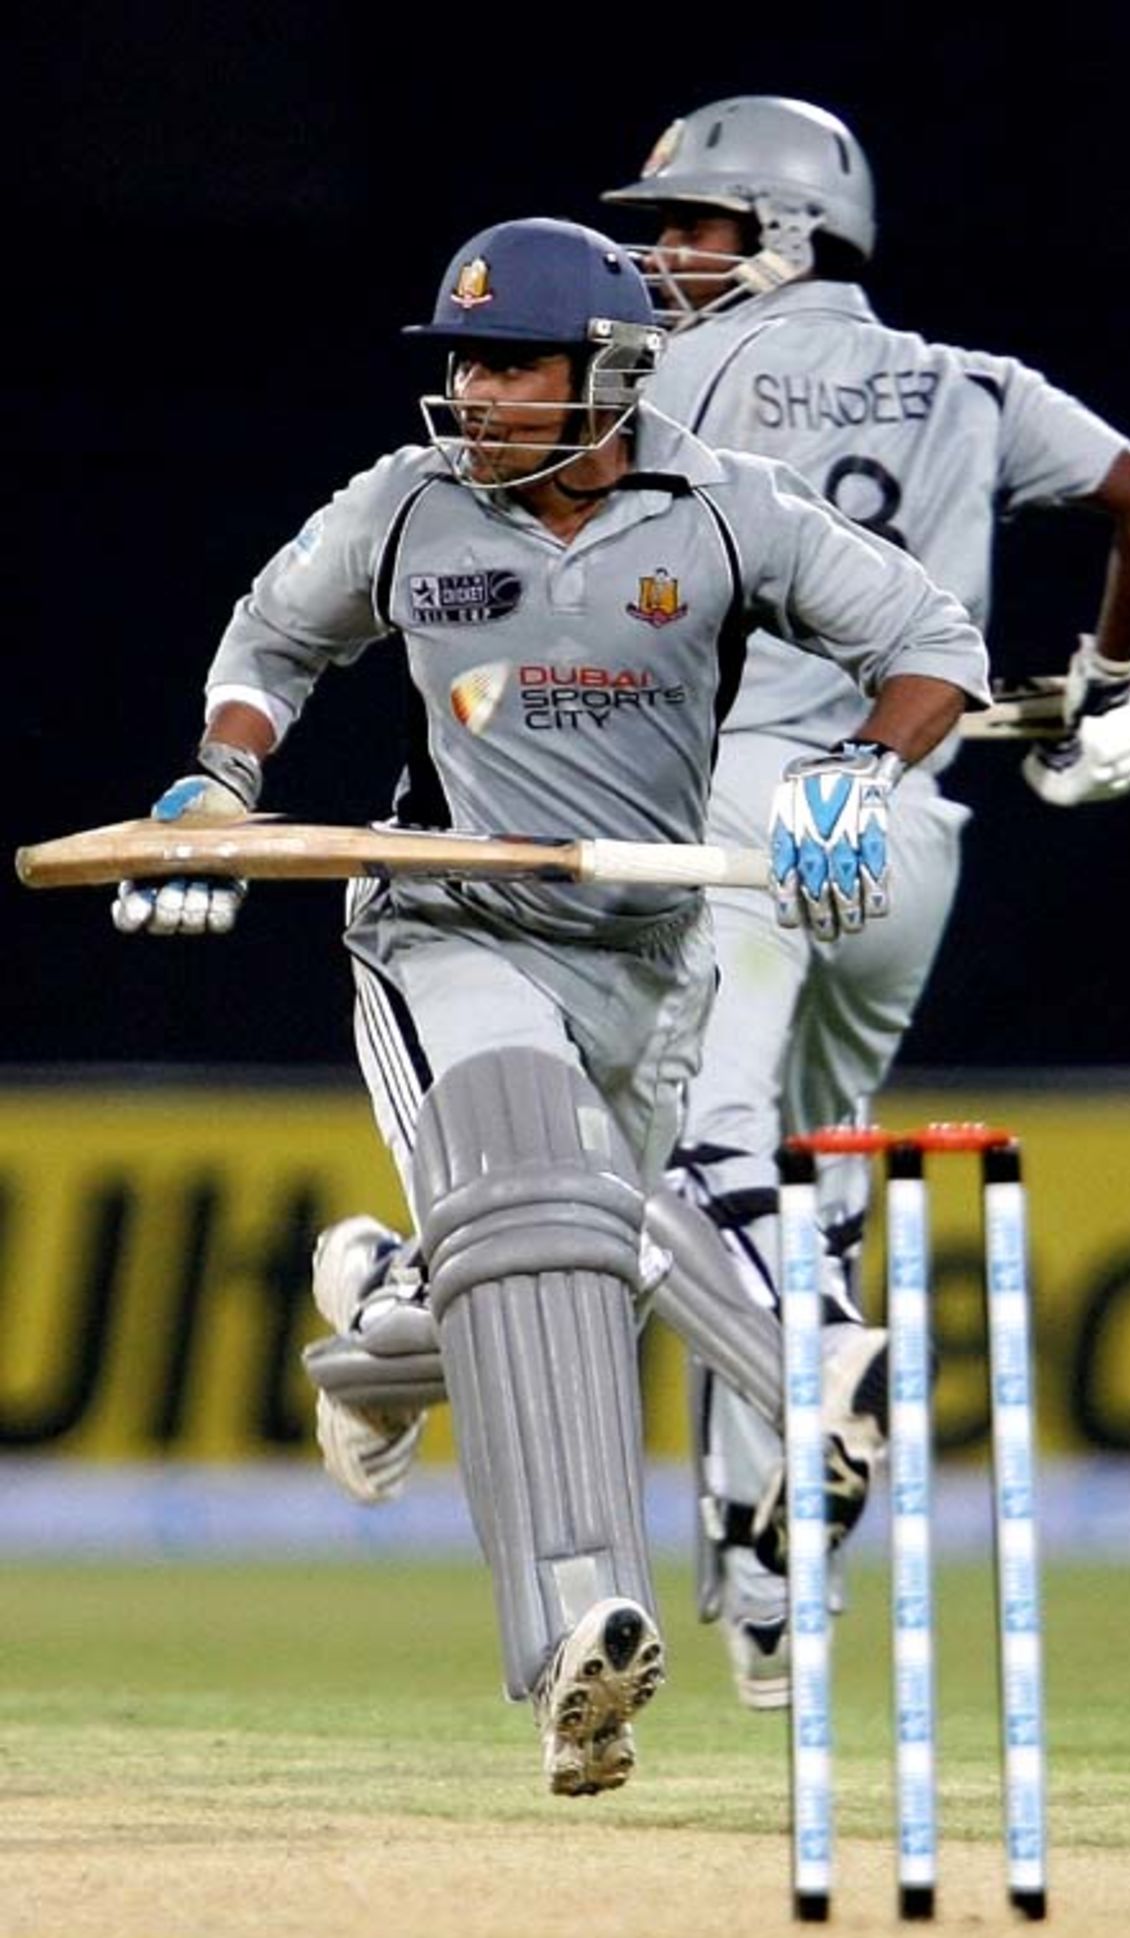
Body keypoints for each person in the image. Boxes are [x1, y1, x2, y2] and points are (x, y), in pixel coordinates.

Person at [107, 215, 990, 1793]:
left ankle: (384, 1324)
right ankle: (581, 1634)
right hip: (443, 925)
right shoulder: (407, 503)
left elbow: (933, 640)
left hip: (646, 959)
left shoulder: (725, 514)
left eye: (513, 364)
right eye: (464, 362)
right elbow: (271, 640)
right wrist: (223, 776)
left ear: (612, 371)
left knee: (557, 1242)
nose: (478, 393)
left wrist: (861, 772)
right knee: (551, 1190)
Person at [600, 95, 1130, 1709]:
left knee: (701, 1164)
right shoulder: (972, 382)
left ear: (779, 233)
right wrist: (1108, 678)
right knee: (814, 1155)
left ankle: (826, 1367)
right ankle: (764, 1565)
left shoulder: (680, 373)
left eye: (695, 227)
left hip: (749, 802)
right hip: (901, 816)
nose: (666, 255)